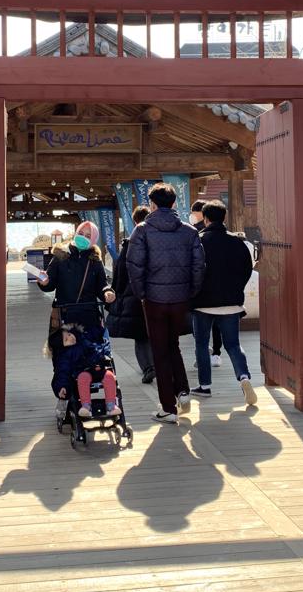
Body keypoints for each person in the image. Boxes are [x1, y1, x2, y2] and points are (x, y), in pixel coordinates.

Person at [127, 182, 205, 424]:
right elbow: (199, 266)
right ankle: (182, 390)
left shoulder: (141, 231)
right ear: (173, 203)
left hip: (153, 299)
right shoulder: (189, 231)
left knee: (160, 351)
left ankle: (168, 407)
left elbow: (134, 266)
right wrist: (190, 291)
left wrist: (142, 293)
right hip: (180, 298)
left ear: (152, 204)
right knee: (173, 345)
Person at [190, 200, 258, 407]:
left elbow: (192, 269)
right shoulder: (237, 242)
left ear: (205, 219)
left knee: (202, 344)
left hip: (203, 302)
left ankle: (205, 386)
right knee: (233, 344)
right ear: (224, 217)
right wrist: (236, 289)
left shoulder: (198, 241)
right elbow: (247, 269)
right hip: (231, 302)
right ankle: (244, 377)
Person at [36, 221, 115, 330]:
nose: (83, 237)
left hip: (89, 316)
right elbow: (50, 285)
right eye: (80, 233)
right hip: (63, 314)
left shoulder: (95, 259)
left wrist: (107, 292)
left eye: (88, 236)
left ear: (93, 240)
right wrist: (45, 282)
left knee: (90, 341)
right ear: (76, 233)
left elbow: (102, 284)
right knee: (63, 341)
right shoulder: (60, 255)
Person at [107, 205, 154, 383]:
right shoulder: (158, 241)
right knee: (157, 332)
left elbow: (120, 273)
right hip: (157, 294)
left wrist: (115, 294)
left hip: (133, 296)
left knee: (140, 335)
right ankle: (161, 365)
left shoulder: (129, 244)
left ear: (134, 222)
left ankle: (148, 367)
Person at [49, 323, 120, 418]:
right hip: (82, 371)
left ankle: (111, 406)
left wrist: (100, 361)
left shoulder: (82, 340)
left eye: (69, 334)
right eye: (66, 340)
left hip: (97, 367)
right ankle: (86, 406)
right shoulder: (65, 355)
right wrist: (62, 386)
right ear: (62, 346)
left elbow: (94, 348)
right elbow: (63, 372)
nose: (70, 338)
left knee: (109, 376)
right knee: (83, 378)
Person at [190, 199, 222, 368]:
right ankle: (214, 353)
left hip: (201, 286)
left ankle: (207, 353)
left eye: (194, 213)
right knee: (215, 323)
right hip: (217, 284)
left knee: (201, 324)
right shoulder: (223, 232)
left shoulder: (195, 233)